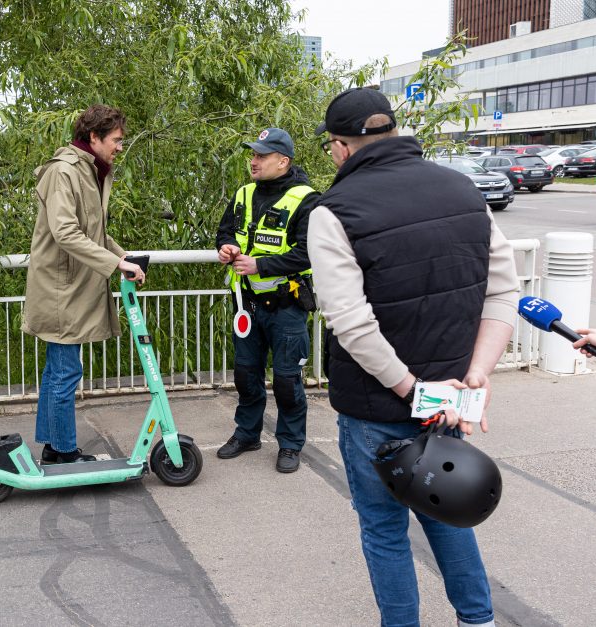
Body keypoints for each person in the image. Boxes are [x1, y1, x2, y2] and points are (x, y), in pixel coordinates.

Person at [307, 88, 520, 627]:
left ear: (339, 146)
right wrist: (475, 376)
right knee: (448, 514)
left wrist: (409, 388)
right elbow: (502, 292)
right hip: (449, 403)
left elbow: (352, 323)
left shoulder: (333, 211)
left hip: (377, 407)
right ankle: (478, 621)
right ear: (394, 131)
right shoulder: (464, 189)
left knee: (383, 529)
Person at [22, 104, 145, 464]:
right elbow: (66, 233)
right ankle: (63, 452)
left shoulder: (92, 171)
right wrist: (115, 263)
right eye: (116, 140)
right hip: (62, 290)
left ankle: (52, 445)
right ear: (94, 137)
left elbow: (95, 233)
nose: (120, 147)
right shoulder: (64, 172)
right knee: (65, 371)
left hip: (71, 287)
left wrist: (124, 258)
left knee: (56, 369)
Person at [214, 128, 322, 473]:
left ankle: (290, 444)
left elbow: (308, 253)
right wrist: (226, 247)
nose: (254, 161)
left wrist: (260, 264)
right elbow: (225, 231)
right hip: (246, 305)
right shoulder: (244, 193)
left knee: (288, 381)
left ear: (283, 161)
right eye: (253, 154)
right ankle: (247, 434)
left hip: (285, 307)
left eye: (261, 155)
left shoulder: (307, 199)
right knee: (246, 375)